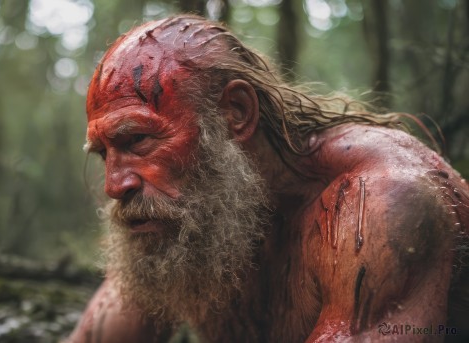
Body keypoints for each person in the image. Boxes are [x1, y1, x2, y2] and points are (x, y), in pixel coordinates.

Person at [67, 14, 469, 342]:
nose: (114, 185)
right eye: (104, 154)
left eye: (137, 140)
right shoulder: (186, 219)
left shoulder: (380, 204)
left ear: (235, 113)